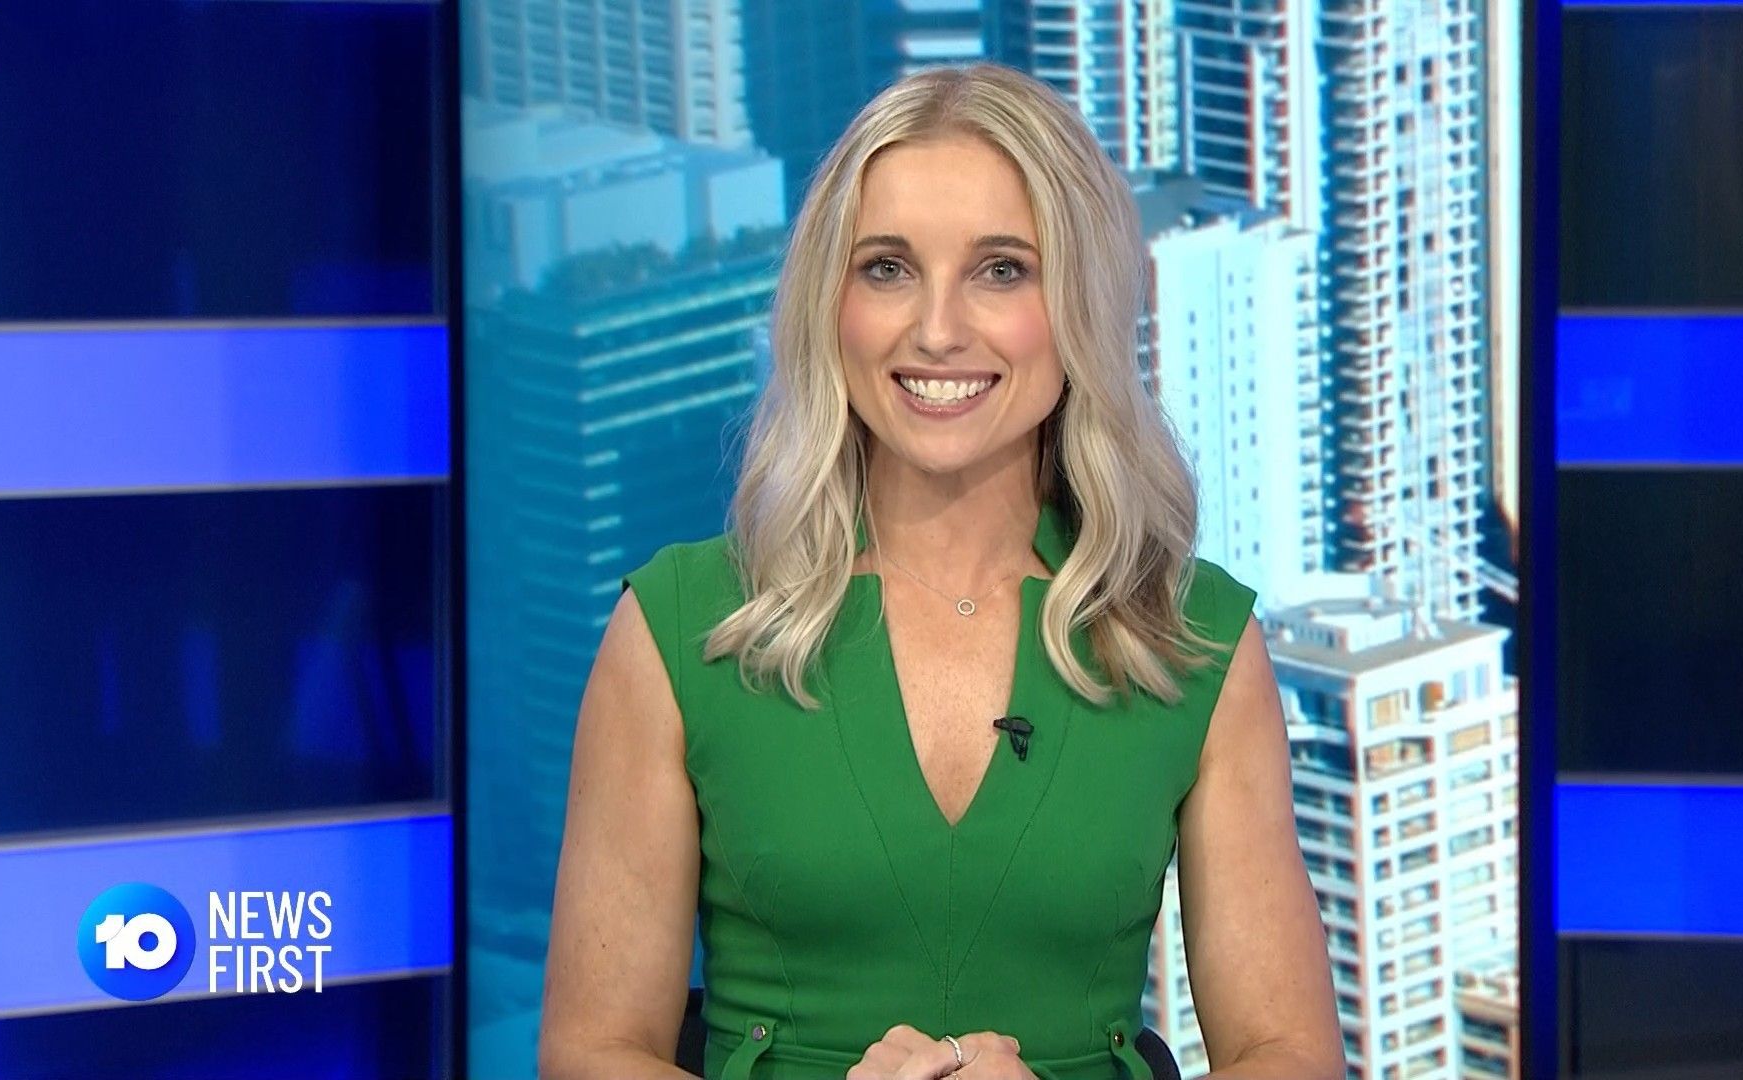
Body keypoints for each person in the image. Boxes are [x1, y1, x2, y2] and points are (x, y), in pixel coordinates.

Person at [537, 62, 1344, 1080]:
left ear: (1080, 303)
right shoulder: (681, 628)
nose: (936, 330)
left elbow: (1289, 1055)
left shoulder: (1192, 642)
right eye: (887, 268)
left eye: (1001, 270)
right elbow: (591, 1054)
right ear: (831, 303)